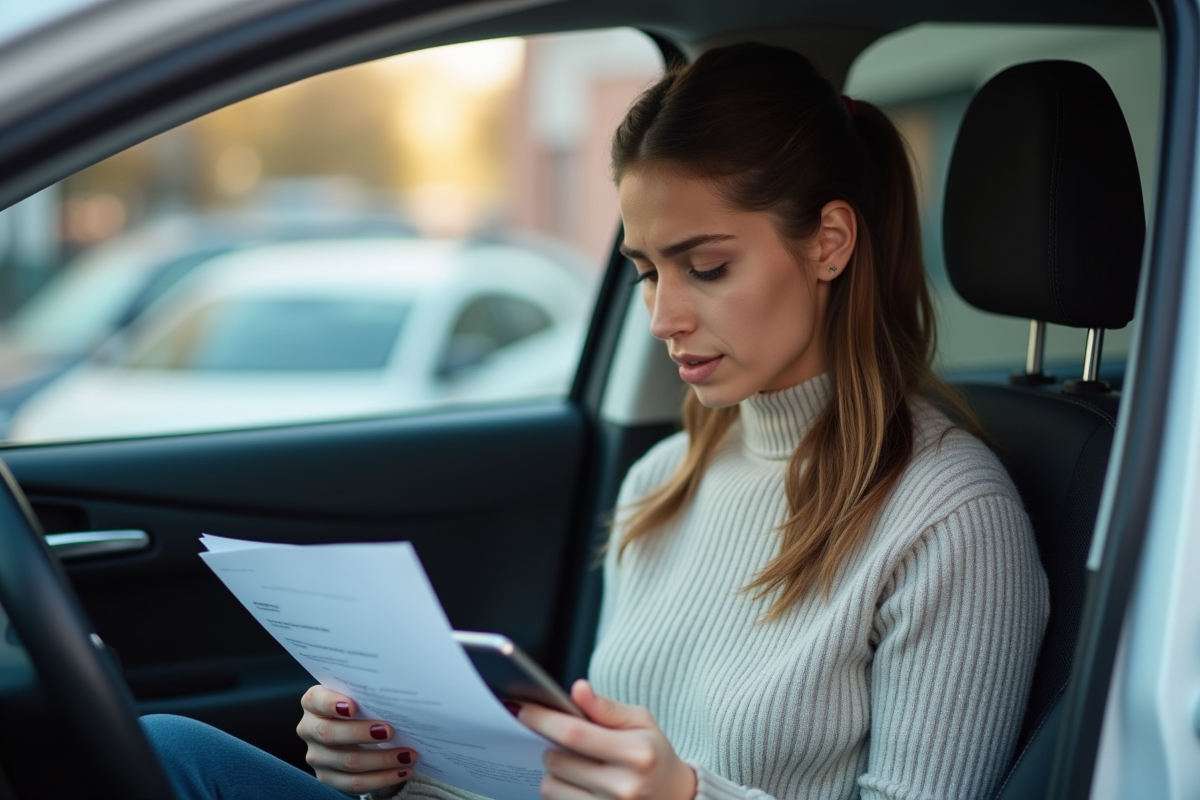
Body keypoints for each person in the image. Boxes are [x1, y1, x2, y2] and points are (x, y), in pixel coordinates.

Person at [144, 42, 1048, 800]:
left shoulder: (950, 517)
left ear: (830, 243)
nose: (663, 317)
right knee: (170, 749)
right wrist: (404, 767)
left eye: (706, 267)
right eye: (647, 271)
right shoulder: (665, 481)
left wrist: (684, 797)